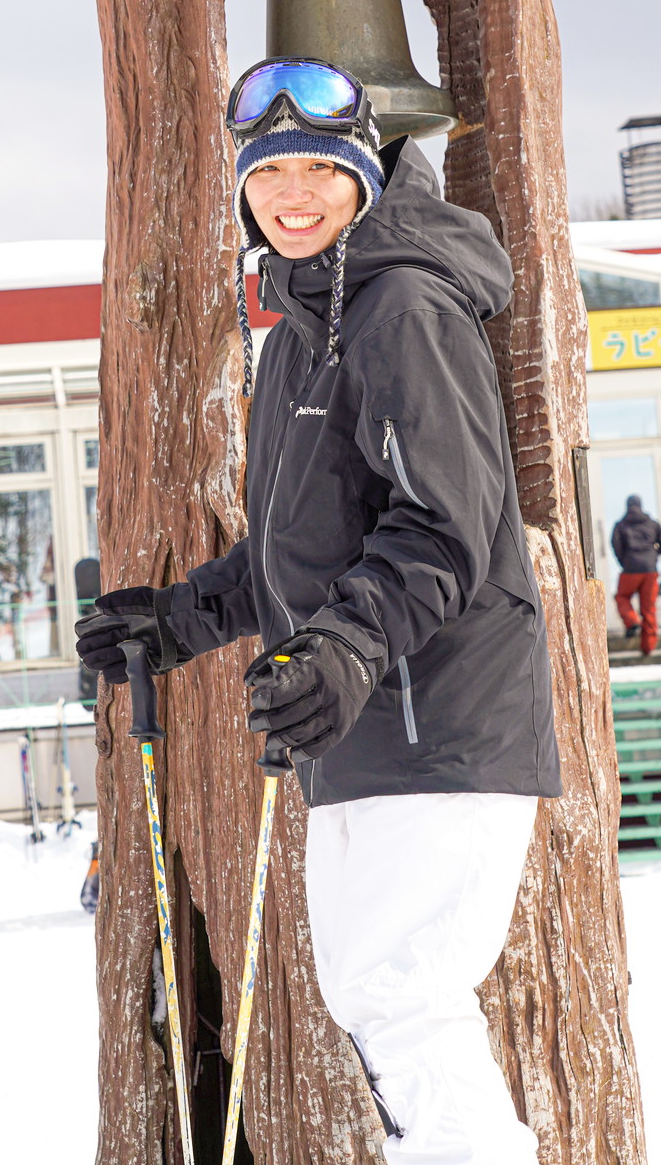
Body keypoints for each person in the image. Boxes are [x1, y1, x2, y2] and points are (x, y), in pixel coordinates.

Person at [78, 57, 561, 1164]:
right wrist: (180, 619)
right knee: (370, 992)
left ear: (364, 173)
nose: (292, 194)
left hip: (436, 720)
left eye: (319, 169)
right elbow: (305, 546)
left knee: (400, 992)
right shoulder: (307, 318)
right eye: (269, 170)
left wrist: (340, 648)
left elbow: (446, 522)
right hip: (359, 724)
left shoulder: (401, 307)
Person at [611, 496, 661, 657]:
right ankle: (648, 648)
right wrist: (654, 555)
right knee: (649, 608)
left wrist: (624, 561)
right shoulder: (653, 523)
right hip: (650, 570)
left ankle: (632, 621)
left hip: (630, 569)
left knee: (622, 597)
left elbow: (615, 545)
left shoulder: (620, 525)